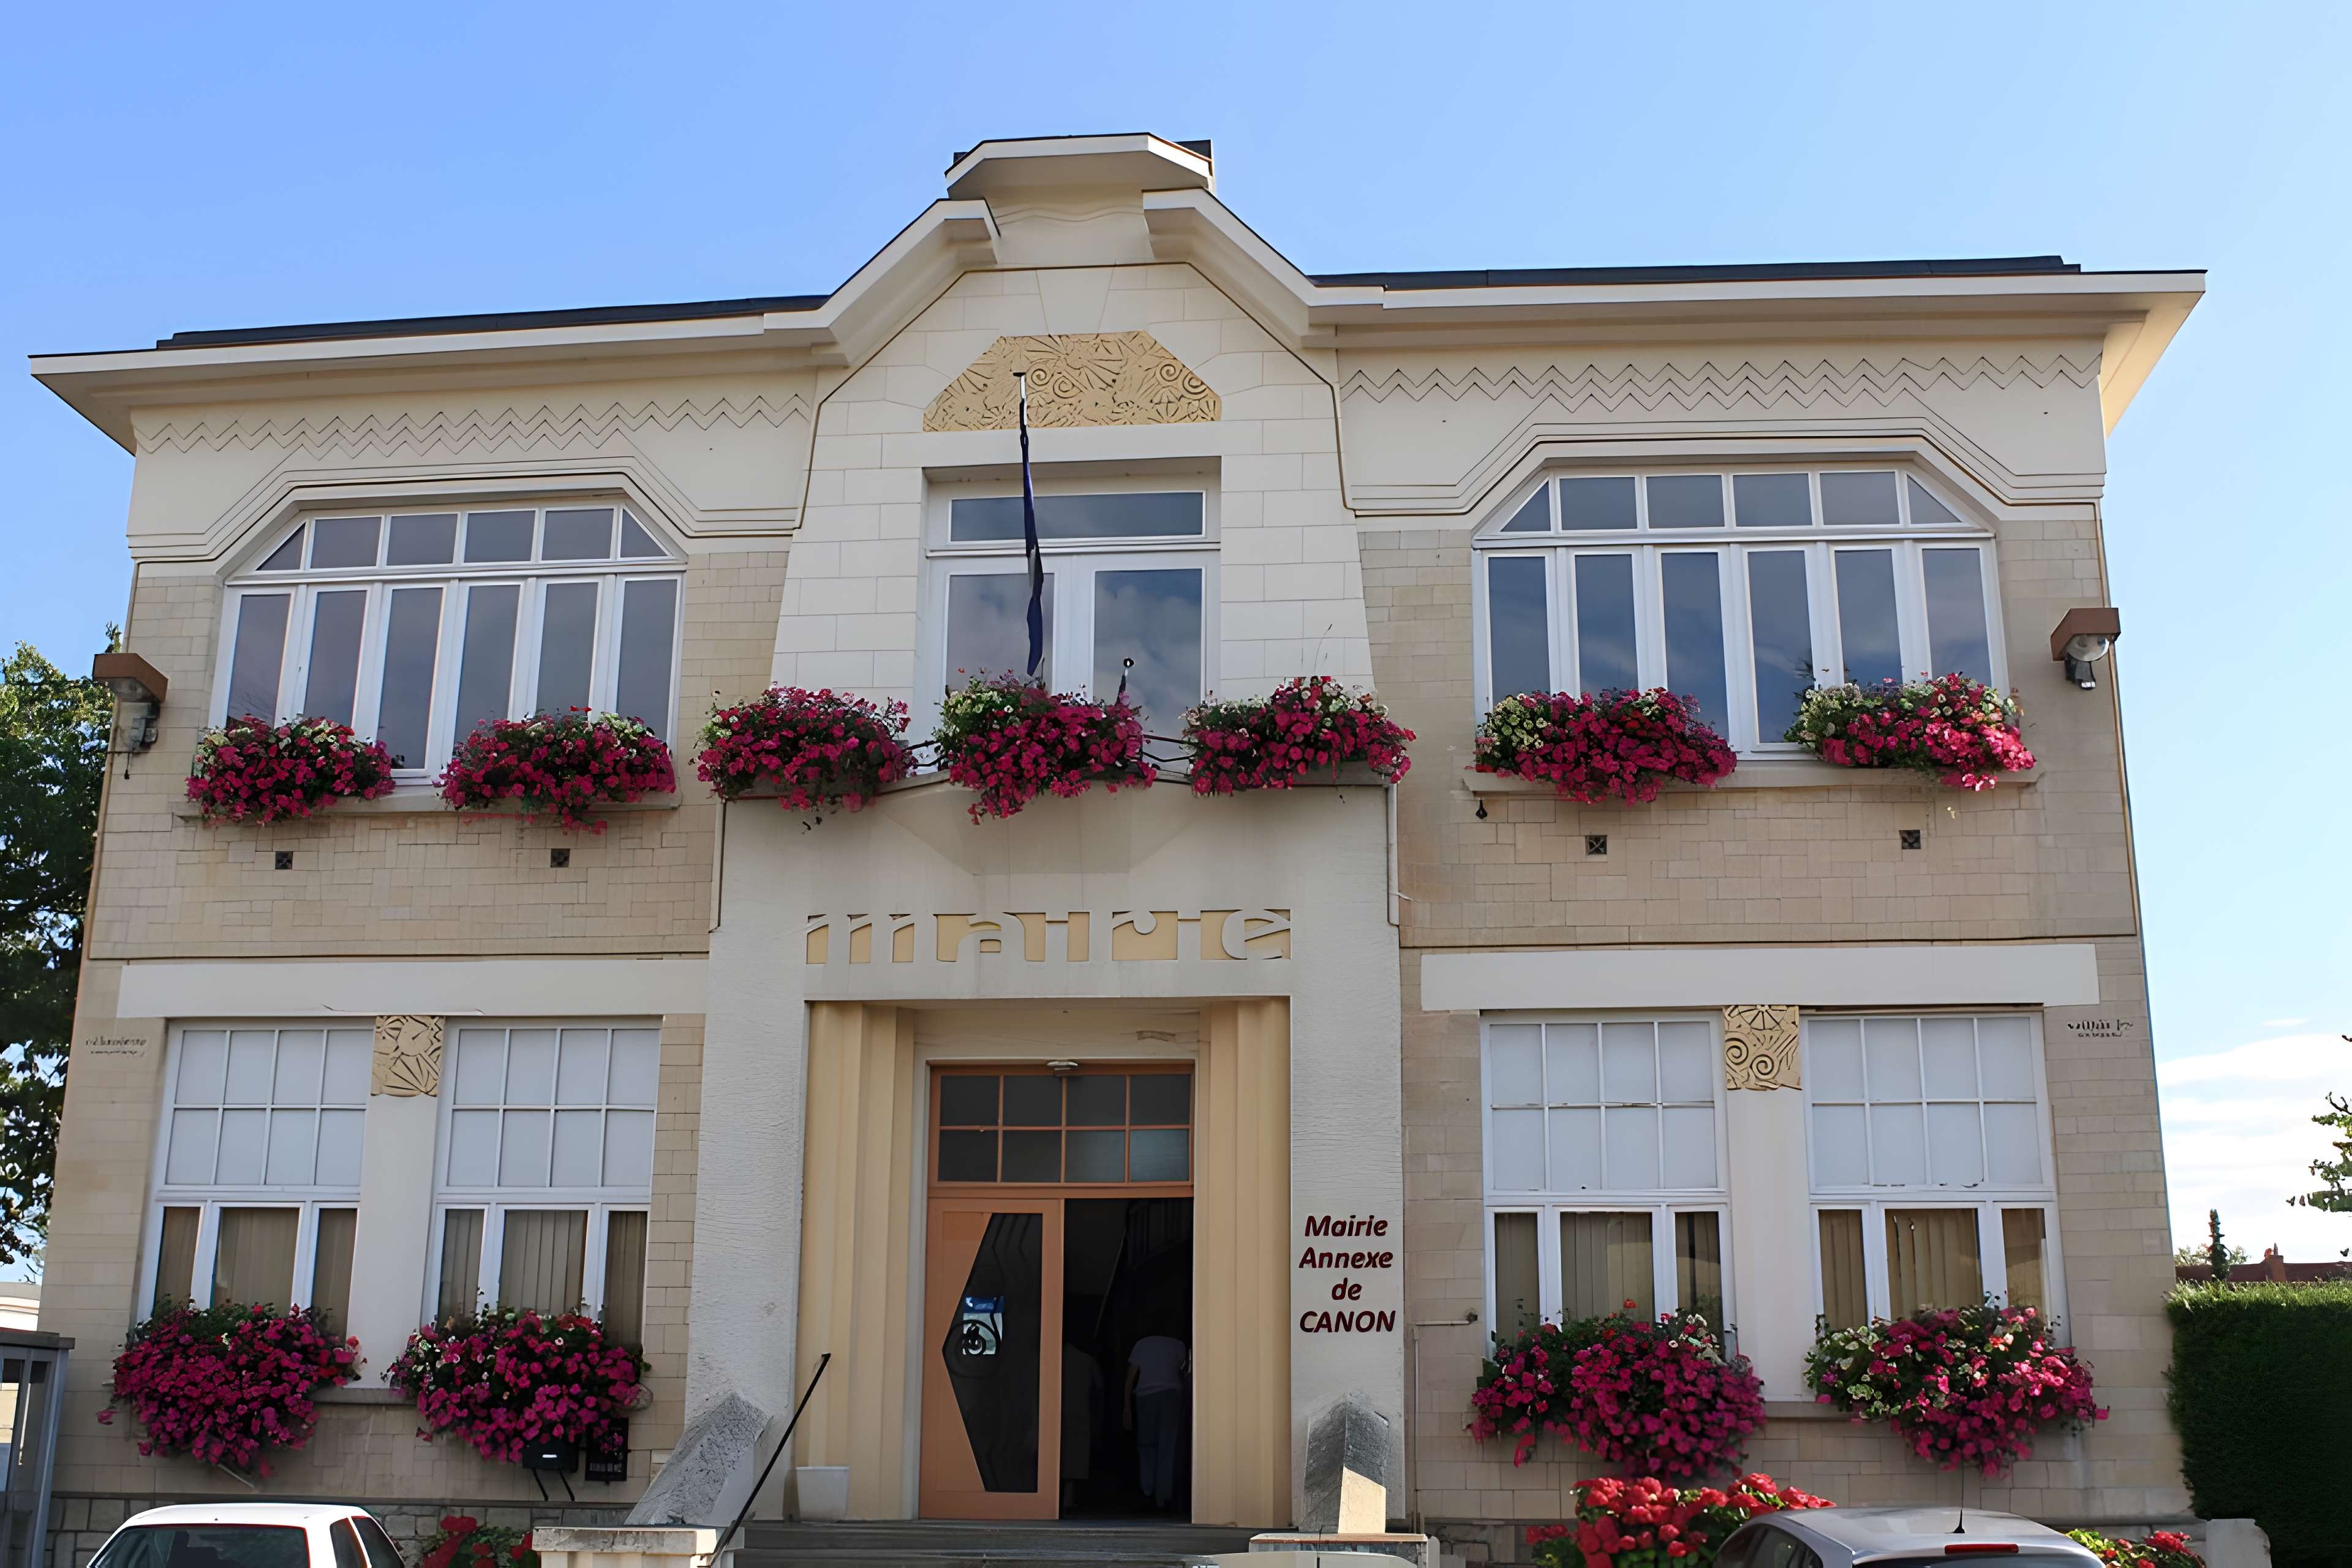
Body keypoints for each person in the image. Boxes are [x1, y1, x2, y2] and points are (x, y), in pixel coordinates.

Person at [1121, 1325, 1188, 1510]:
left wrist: (1127, 1408)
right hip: (1171, 1394)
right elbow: (1184, 1375)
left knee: (1147, 1445)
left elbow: (1130, 1377)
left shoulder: (1142, 1344)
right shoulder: (1178, 1345)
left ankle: (1147, 1491)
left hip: (1145, 1395)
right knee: (1168, 1445)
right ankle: (1163, 1496)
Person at [1060, 1339, 1102, 1510]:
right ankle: (1068, 1500)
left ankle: (1054, 1499)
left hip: (1052, 1411)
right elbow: (1099, 1386)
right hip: (1080, 1411)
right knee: (1075, 1457)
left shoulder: (1046, 1358)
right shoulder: (1087, 1360)